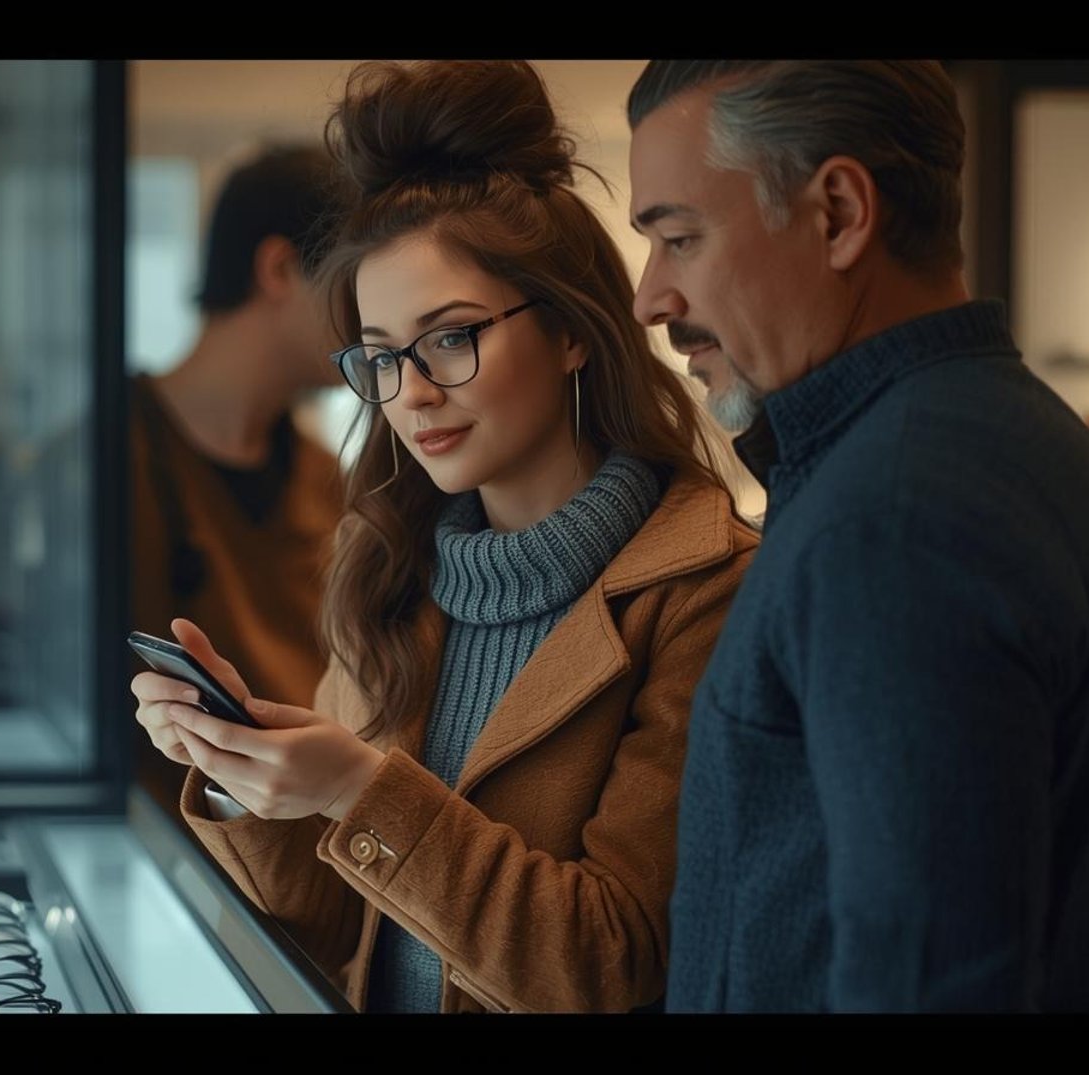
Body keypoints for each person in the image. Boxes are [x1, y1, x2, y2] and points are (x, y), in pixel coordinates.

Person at [132, 60, 755, 1013]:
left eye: (451, 337)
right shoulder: (387, 570)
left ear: (571, 331)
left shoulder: (705, 590)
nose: (412, 392)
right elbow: (331, 937)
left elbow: (613, 966)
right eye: (379, 357)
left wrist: (358, 788)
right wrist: (234, 780)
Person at [625, 60, 1089, 1011]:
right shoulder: (991, 441)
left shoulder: (892, 519)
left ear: (841, 212)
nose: (652, 298)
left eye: (679, 238)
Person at [127, 144, 350, 818]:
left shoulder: (332, 481)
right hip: (154, 865)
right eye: (356, 283)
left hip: (305, 875)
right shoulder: (101, 464)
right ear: (280, 268)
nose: (378, 320)